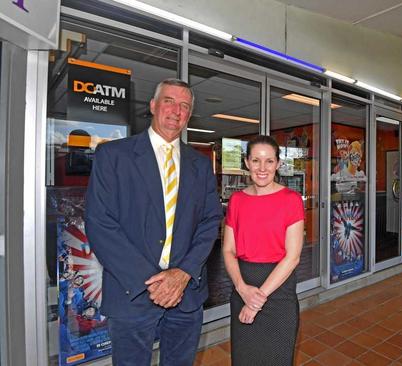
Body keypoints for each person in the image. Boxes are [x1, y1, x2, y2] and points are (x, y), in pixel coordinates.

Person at [85, 78, 222, 366]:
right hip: (132, 291)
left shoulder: (200, 165)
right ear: (153, 106)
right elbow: (100, 223)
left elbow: (210, 221)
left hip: (186, 293)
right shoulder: (113, 156)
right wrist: (153, 283)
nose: (176, 110)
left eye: (185, 106)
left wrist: (182, 273)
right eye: (169, 101)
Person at [222, 135, 304, 365]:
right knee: (244, 358)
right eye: (256, 160)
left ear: (278, 164)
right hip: (243, 285)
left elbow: (293, 257)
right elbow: (228, 250)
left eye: (269, 161)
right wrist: (242, 289)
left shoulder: (291, 200)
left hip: (278, 291)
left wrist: (257, 299)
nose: (262, 168)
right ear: (247, 162)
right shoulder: (237, 200)